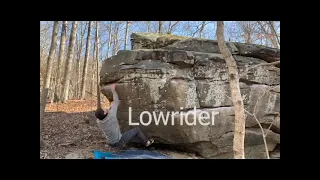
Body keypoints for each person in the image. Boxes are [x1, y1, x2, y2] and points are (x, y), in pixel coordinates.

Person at [95, 83, 154, 149]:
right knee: (136, 130)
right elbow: (116, 101)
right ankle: (147, 142)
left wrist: (110, 108)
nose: (105, 109)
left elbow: (107, 113)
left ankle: (125, 145)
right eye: (104, 110)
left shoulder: (99, 121)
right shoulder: (111, 115)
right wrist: (113, 89)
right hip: (118, 142)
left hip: (110, 143)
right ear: (105, 113)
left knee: (121, 131)